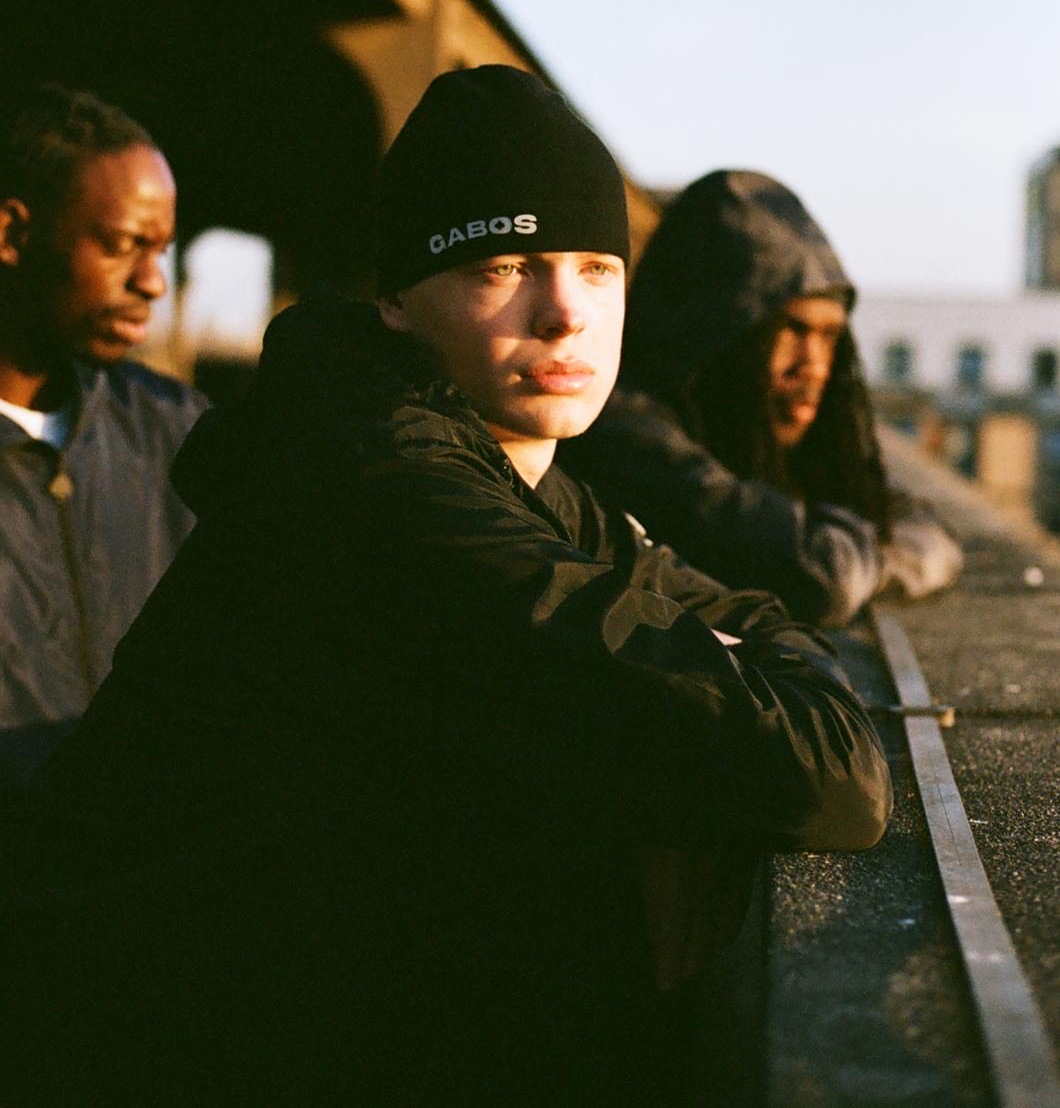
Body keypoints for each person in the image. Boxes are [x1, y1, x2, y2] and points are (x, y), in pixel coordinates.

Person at [0, 72, 891, 1107]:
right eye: (503, 264)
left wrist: (752, 668)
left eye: (596, 269)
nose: (564, 313)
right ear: (394, 296)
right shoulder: (385, 486)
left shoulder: (517, 468)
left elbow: (757, 617)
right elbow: (823, 771)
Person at [563, 168, 962, 629]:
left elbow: (927, 530)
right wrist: (876, 551)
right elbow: (823, 577)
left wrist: (863, 550)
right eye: (791, 330)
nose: (813, 364)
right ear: (714, 332)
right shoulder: (621, 427)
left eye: (830, 336)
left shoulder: (744, 436)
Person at [0, 83, 206, 787]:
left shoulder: (179, 432)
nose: (153, 281)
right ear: (12, 234)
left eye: (163, 250)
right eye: (121, 245)